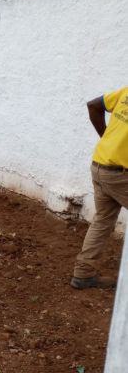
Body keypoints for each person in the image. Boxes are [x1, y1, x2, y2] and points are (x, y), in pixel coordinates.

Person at [71, 86, 128, 289]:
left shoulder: (126, 92)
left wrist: (106, 139)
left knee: (102, 220)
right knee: (103, 220)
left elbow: (94, 105)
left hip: (99, 165)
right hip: (121, 175)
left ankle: (83, 274)